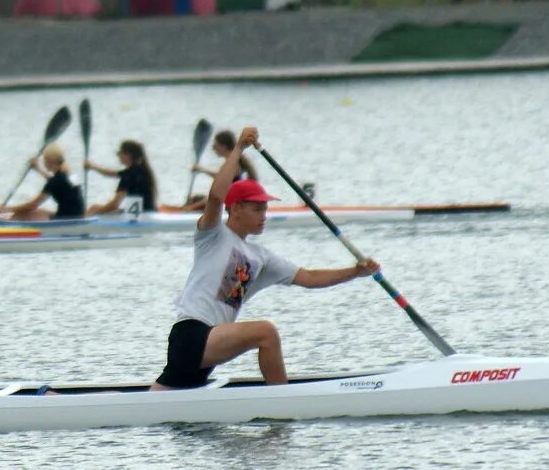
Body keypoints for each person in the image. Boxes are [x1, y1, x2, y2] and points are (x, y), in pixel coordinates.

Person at [152, 125, 379, 390]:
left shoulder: (261, 258)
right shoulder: (213, 235)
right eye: (257, 209)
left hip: (210, 347)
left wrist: (355, 271)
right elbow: (215, 196)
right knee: (265, 332)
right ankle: (284, 403)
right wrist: (238, 148)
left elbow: (309, 277)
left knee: (154, 402)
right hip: (191, 335)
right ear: (235, 209)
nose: (264, 215)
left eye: (266, 209)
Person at [0, 142, 85, 221]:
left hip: (66, 220)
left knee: (28, 213)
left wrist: (7, 209)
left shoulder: (56, 181)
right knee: (38, 212)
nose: (44, 162)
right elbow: (58, 184)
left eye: (44, 160)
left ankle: (1, 223)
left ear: (50, 161)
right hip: (78, 216)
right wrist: (38, 168)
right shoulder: (71, 174)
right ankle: (3, 220)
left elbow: (32, 205)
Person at [83, 139, 158, 216]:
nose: (118, 155)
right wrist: (92, 166)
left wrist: (96, 212)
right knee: (97, 208)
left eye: (119, 153)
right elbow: (111, 173)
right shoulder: (142, 170)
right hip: (149, 211)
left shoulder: (128, 175)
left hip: (138, 216)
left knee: (93, 208)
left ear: (127, 155)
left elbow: (115, 204)